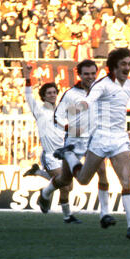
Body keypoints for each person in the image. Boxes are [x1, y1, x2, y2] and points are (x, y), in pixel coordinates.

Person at [43, 48, 130, 239]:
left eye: (129, 64)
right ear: (114, 66)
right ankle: (69, 154)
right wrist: (77, 115)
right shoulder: (102, 85)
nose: (127, 67)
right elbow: (88, 101)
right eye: (123, 64)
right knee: (82, 179)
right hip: (100, 138)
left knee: (126, 181)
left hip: (119, 139)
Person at [38, 59, 116, 229]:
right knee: (65, 180)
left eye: (92, 74)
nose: (90, 77)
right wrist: (71, 127)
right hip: (74, 142)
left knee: (102, 171)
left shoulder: (100, 91)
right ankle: (45, 192)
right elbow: (57, 117)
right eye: (86, 74)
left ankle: (105, 214)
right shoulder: (71, 94)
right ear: (79, 75)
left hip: (94, 141)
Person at [22, 64, 80, 224]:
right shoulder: (40, 111)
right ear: (43, 96)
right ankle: (65, 214)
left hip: (64, 154)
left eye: (54, 92)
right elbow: (28, 96)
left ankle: (39, 175)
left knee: (68, 186)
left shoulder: (63, 111)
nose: (53, 95)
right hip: (51, 155)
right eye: (49, 93)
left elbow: (70, 130)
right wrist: (27, 76)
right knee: (65, 185)